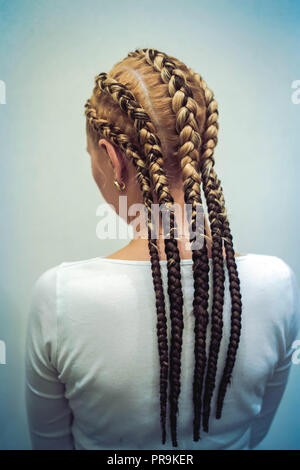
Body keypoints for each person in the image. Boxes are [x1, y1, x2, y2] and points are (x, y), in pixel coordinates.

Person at [25, 48, 300, 450]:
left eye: (91, 157)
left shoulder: (60, 298)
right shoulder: (277, 285)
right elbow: (254, 434)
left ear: (112, 159)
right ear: (201, 148)